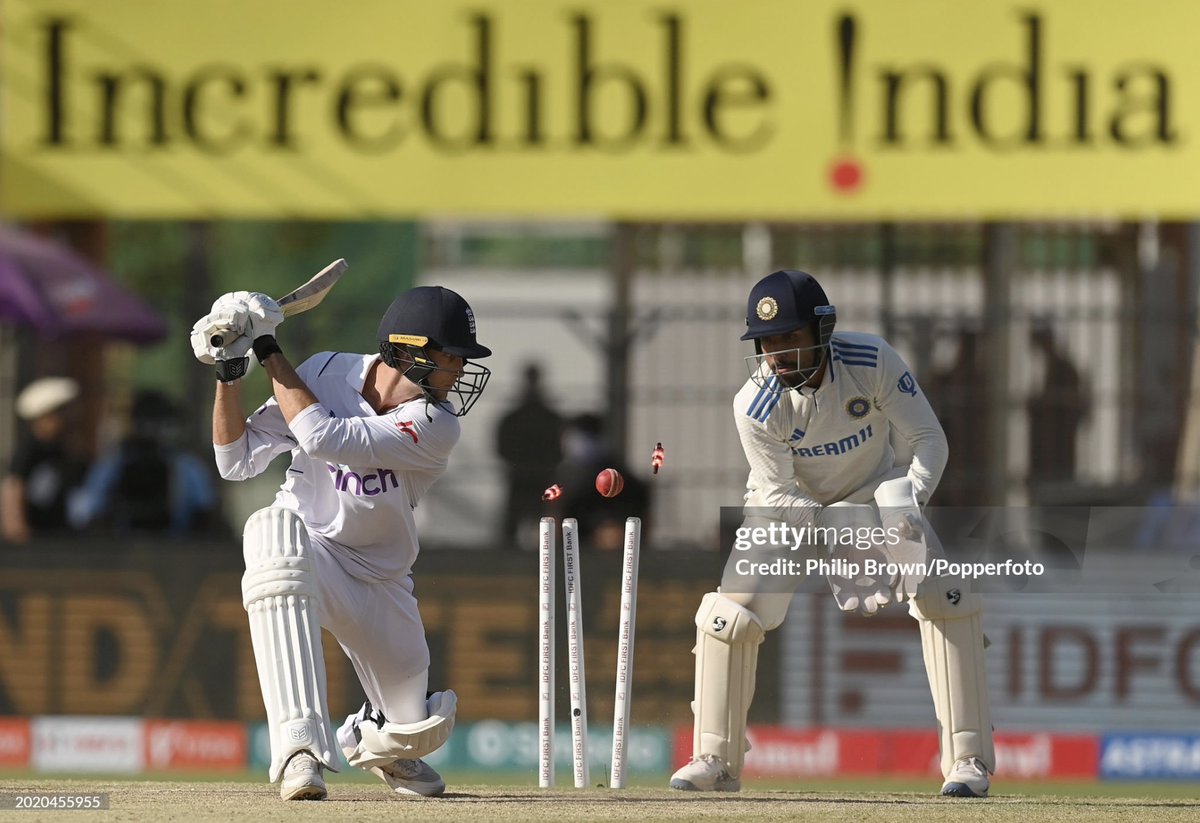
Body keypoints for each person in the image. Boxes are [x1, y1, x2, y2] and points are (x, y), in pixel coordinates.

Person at [668, 270, 994, 797]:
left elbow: (929, 440)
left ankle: (968, 760)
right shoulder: (753, 404)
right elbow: (775, 493)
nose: (777, 355)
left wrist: (904, 509)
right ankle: (715, 759)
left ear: (823, 331)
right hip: (785, 513)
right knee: (729, 615)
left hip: (873, 499)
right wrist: (840, 535)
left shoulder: (872, 361)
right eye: (767, 343)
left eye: (789, 338)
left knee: (945, 595)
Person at [189, 284, 491, 801]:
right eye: (452, 357)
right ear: (408, 350)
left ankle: (371, 736)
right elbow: (234, 459)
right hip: (312, 547)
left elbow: (323, 438)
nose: (461, 371)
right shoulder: (326, 371)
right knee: (271, 532)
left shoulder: (436, 424)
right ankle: (300, 749)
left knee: (412, 729)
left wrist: (266, 344)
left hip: (381, 578)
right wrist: (230, 368)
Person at [71, 390, 219, 535]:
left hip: (174, 546)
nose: (151, 429)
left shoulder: (185, 467)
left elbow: (206, 514)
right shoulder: (113, 465)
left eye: (157, 421)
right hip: (120, 548)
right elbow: (91, 513)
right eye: (146, 421)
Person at [2, 377, 86, 544]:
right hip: (33, 534)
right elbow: (13, 486)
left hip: (55, 532)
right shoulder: (30, 450)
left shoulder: (59, 450)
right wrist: (16, 525)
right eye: (56, 414)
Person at [557, 412, 649, 552]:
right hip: (574, 549)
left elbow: (636, 505)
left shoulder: (617, 475)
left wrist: (613, 526)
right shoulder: (565, 474)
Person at [495, 363, 563, 548]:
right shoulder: (545, 417)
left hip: (532, 475)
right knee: (519, 526)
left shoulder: (518, 417)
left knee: (543, 524)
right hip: (529, 476)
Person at [1027, 324, 1089, 495]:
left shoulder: (1064, 369)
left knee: (1059, 482)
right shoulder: (1056, 367)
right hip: (1053, 441)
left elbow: (1068, 402)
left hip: (1059, 440)